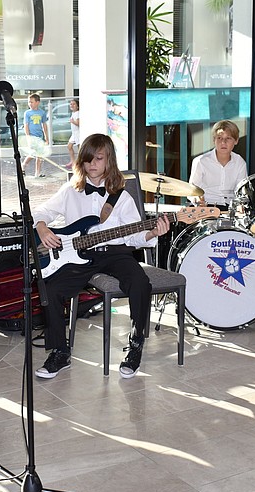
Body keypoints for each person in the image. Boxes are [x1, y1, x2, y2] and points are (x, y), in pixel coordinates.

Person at [32, 133, 171, 379]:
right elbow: (42, 210)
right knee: (50, 289)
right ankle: (60, 353)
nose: (92, 164)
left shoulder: (122, 196)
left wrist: (151, 233)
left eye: (98, 158)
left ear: (109, 161)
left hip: (115, 254)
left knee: (140, 282)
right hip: (78, 254)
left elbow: (132, 237)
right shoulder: (70, 191)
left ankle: (136, 343)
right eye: (87, 159)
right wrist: (42, 227)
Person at [188, 120, 248, 209]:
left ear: (236, 141)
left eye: (228, 138)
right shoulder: (200, 161)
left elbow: (241, 191)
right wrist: (197, 200)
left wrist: (240, 205)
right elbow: (192, 191)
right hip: (205, 207)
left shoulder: (240, 162)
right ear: (214, 140)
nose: (223, 142)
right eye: (219, 138)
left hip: (229, 208)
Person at [22, 93, 50, 178]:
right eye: (29, 102)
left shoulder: (42, 113)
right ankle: (23, 165)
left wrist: (46, 137)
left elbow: (44, 125)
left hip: (40, 136)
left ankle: (37, 173)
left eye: (32, 102)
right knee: (33, 153)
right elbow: (26, 125)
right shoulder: (27, 113)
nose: (30, 104)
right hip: (32, 136)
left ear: (38, 102)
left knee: (39, 155)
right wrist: (28, 137)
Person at [64, 98, 80, 170]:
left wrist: (72, 121)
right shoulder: (73, 113)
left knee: (80, 148)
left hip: (78, 133)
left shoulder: (78, 113)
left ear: (77, 106)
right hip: (74, 134)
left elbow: (78, 123)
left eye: (74, 104)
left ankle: (79, 162)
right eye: (71, 104)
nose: (72, 105)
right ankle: (73, 161)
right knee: (69, 146)